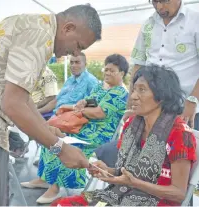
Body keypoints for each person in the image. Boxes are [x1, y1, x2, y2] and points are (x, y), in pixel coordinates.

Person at [0, 5, 102, 206]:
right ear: (68, 28)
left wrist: (46, 129)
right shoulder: (39, 36)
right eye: (78, 45)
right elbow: (13, 104)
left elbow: (22, 98)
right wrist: (59, 149)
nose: (74, 53)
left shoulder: (34, 25)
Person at [51, 65, 197, 206]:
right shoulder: (132, 125)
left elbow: (178, 194)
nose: (133, 96)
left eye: (142, 90)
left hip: (157, 203)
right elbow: (127, 174)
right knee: (61, 204)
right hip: (120, 195)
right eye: (134, 90)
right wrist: (107, 171)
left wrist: (134, 183)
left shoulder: (179, 134)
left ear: (162, 96)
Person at [22, 54, 129, 204]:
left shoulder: (121, 93)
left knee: (65, 147)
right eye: (106, 69)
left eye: (112, 71)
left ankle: (54, 188)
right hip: (82, 128)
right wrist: (81, 103)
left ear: (122, 73)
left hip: (98, 136)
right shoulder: (100, 87)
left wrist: (79, 110)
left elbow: (99, 113)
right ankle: (44, 178)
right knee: (51, 140)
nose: (107, 73)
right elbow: (89, 103)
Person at [130, 0, 199, 130]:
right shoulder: (148, 24)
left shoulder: (195, 22)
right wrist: (131, 101)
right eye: (154, 1)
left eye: (164, 1)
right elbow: (138, 64)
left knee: (185, 147)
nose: (159, 7)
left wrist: (192, 100)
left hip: (187, 108)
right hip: (153, 108)